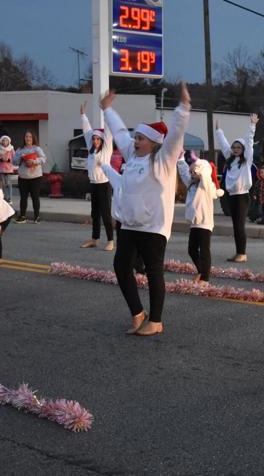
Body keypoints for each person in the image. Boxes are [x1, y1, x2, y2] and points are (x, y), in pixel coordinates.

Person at [101, 82, 191, 337]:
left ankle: (157, 320)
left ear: (152, 143)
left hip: (153, 226)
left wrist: (183, 109)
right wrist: (108, 110)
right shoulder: (132, 155)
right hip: (129, 224)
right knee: (121, 266)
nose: (134, 141)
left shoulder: (162, 160)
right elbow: (119, 132)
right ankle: (138, 313)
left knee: (153, 271)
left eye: (140, 138)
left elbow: (174, 136)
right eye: (136, 137)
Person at [177, 154, 225, 284]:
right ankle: (200, 270)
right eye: (191, 172)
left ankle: (205, 277)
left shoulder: (206, 186)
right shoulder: (191, 184)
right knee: (191, 250)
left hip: (205, 223)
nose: (192, 175)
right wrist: (181, 160)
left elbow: (204, 174)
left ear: (202, 172)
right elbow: (183, 174)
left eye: (195, 172)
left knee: (204, 251)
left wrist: (198, 166)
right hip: (194, 223)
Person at [216, 114, 257, 263]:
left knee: (239, 225)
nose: (235, 149)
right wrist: (219, 131)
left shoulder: (246, 159)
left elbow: (250, 141)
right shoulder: (231, 159)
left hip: (242, 196)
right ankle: (239, 251)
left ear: (243, 149)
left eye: (239, 147)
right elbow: (224, 144)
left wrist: (252, 126)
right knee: (235, 226)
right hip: (231, 195)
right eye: (234, 147)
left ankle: (242, 253)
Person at [79, 101, 115, 251]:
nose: (95, 140)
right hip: (93, 184)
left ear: (102, 140)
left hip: (104, 185)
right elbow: (87, 130)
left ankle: (111, 241)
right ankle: (95, 239)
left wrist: (106, 111)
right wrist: (82, 115)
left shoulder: (106, 150)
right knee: (95, 213)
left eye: (98, 139)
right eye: (94, 139)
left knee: (106, 214)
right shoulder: (91, 149)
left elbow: (108, 130)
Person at [13, 131, 46, 224]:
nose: (28, 138)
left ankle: (37, 216)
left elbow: (43, 158)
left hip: (35, 177)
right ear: (24, 138)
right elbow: (14, 161)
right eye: (26, 136)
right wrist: (21, 157)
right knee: (23, 198)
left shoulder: (37, 149)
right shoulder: (20, 149)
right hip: (23, 177)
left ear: (33, 138)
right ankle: (23, 216)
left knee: (35, 197)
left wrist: (34, 161)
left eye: (30, 137)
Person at [0, 135, 15, 202]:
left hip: (9, 169)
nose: (5, 141)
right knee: (3, 184)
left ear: (9, 141)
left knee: (9, 184)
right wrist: (1, 159)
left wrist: (9, 160)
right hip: (1, 169)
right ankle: (4, 197)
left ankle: (10, 198)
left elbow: (14, 158)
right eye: (3, 140)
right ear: (1, 142)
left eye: (6, 140)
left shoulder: (11, 149)